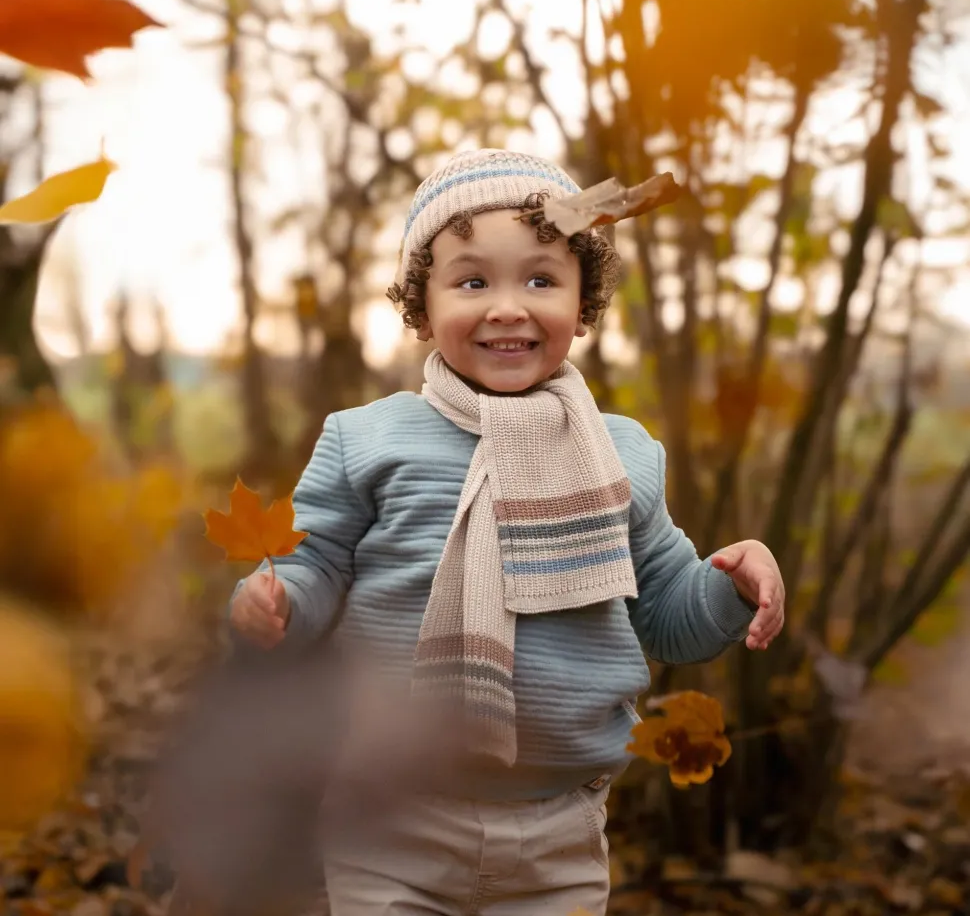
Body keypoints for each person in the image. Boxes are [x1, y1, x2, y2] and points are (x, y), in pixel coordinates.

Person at [228, 149, 786, 916]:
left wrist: (728, 586)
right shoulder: (368, 438)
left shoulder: (619, 451)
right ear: (421, 305)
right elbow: (317, 560)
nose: (507, 306)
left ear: (582, 301)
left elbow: (663, 607)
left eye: (541, 278)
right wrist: (276, 603)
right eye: (471, 280)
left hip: (559, 830)